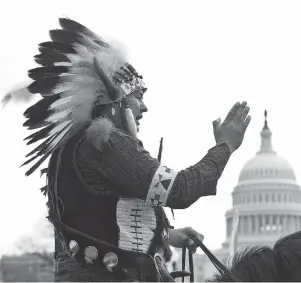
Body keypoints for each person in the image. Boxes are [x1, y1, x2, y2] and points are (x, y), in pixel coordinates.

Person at [2, 18, 251, 282]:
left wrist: (166, 237)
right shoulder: (102, 141)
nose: (144, 108)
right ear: (115, 102)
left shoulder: (80, 145)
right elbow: (180, 190)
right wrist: (225, 146)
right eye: (138, 98)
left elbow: (103, 219)